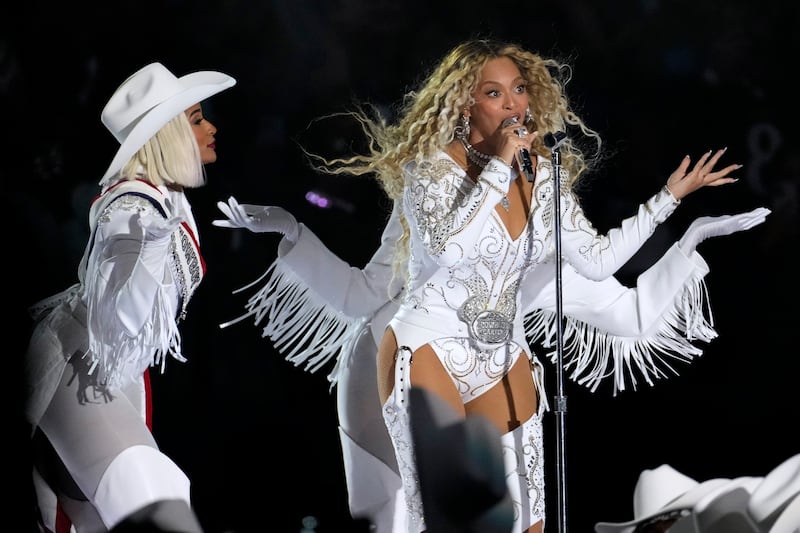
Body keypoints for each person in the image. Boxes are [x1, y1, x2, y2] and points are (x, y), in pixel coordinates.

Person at [214, 38, 769, 533]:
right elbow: (449, 247)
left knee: (526, 519)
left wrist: (672, 204)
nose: (513, 105)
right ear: (464, 105)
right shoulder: (427, 171)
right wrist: (502, 165)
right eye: (494, 93)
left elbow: (598, 264)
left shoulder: (545, 178)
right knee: (445, 514)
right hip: (426, 344)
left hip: (503, 356)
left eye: (519, 90)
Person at [24, 62, 236, 532]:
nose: (211, 127)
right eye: (197, 119)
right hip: (75, 365)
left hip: (104, 372)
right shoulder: (133, 207)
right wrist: (150, 248)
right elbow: (122, 319)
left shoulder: (167, 196)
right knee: (154, 503)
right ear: (167, 136)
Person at [214, 198, 407, 532]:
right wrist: (292, 231)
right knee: (394, 516)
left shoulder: (529, 185)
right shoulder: (426, 179)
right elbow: (362, 294)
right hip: (390, 362)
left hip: (492, 367)